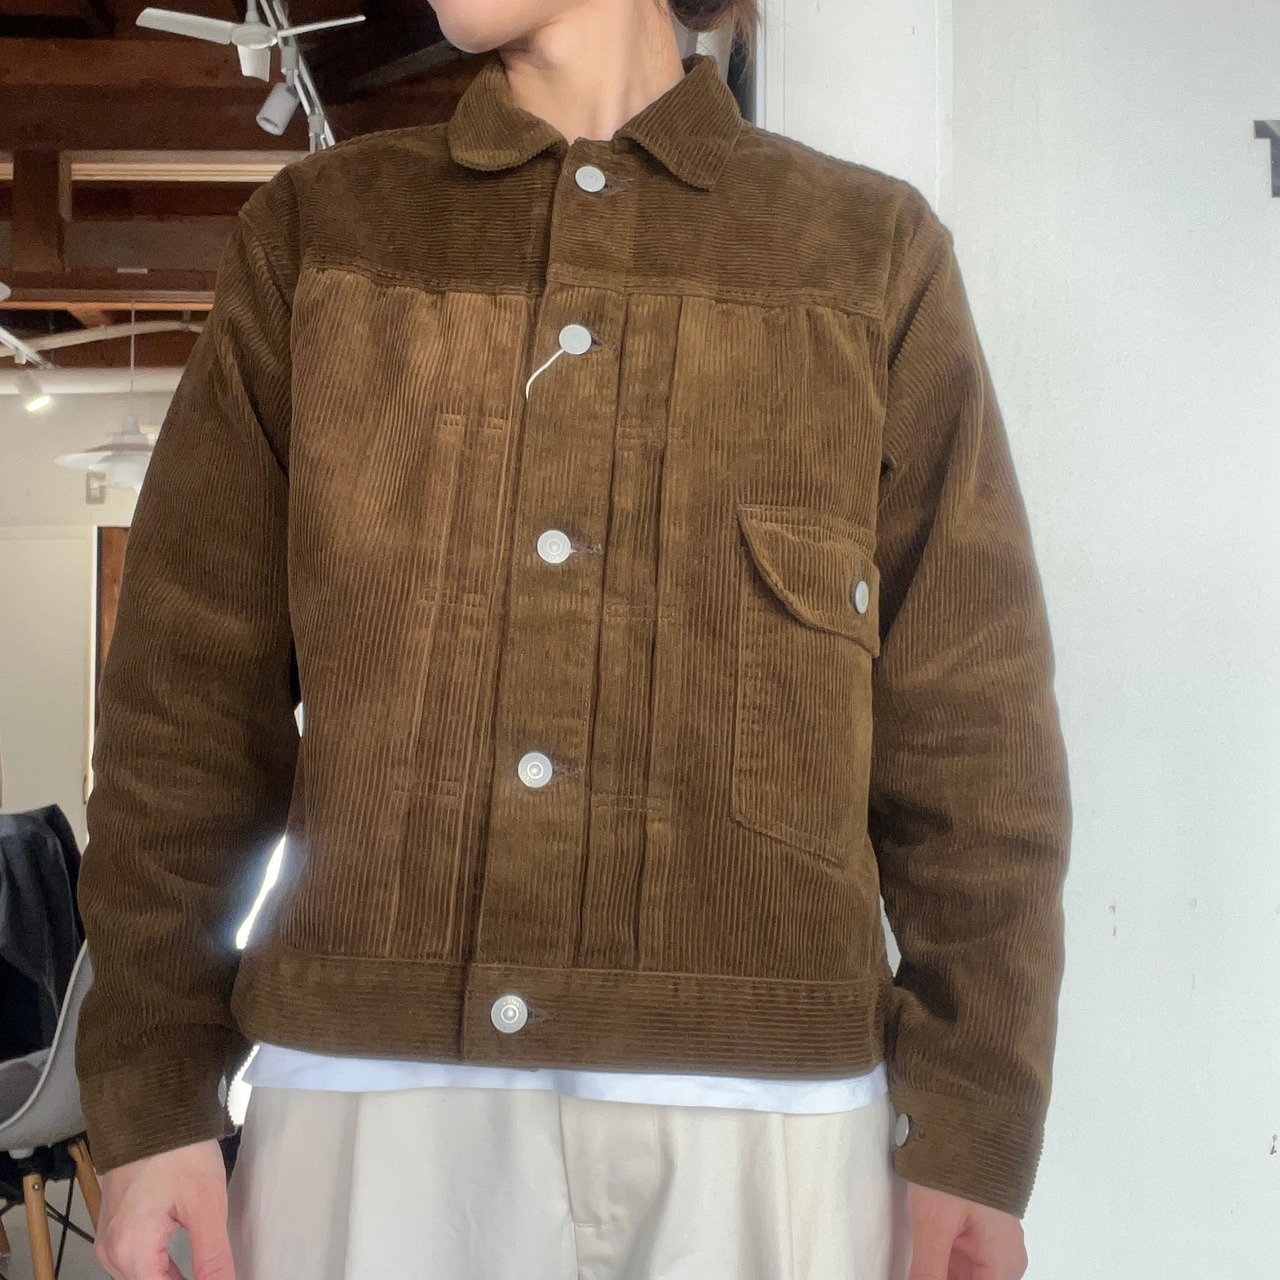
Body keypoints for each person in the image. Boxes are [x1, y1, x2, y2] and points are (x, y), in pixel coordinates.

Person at [74, 1, 1072, 1278]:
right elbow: (186, 703)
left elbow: (972, 726)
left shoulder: (863, 252)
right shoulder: (323, 234)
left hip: (764, 1137)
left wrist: (971, 1121)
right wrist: (156, 1089)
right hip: (374, 1119)